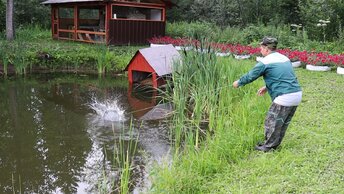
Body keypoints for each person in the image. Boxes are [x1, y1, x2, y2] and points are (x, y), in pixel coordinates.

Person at [232, 37, 302, 152]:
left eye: (261, 48)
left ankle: (268, 147)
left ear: (266, 48)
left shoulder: (265, 62)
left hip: (284, 96)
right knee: (281, 123)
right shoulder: (284, 58)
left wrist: (238, 83)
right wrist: (267, 87)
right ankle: (271, 144)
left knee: (271, 121)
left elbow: (250, 76)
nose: (260, 50)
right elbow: (284, 77)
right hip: (296, 93)